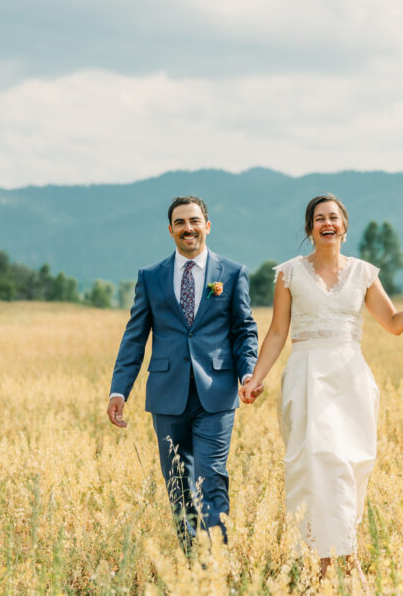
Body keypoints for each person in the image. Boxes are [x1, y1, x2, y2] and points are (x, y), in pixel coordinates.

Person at [240, 194, 403, 576]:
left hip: (350, 378)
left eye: (334, 217)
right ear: (310, 228)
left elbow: (394, 324)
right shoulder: (288, 274)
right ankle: (324, 560)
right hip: (306, 376)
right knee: (316, 461)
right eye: (319, 218)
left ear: (345, 227)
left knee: (350, 465)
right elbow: (277, 332)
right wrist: (256, 377)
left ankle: (346, 555)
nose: (327, 223)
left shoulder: (364, 273)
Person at [107, 195, 259, 552]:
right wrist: (119, 391)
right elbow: (135, 337)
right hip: (166, 395)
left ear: (207, 226)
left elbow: (244, 330)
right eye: (180, 223)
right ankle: (192, 560)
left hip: (217, 393)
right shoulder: (150, 277)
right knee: (177, 484)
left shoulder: (233, 273)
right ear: (170, 230)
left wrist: (248, 373)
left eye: (194, 221)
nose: (187, 228)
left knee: (212, 478)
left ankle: (215, 562)